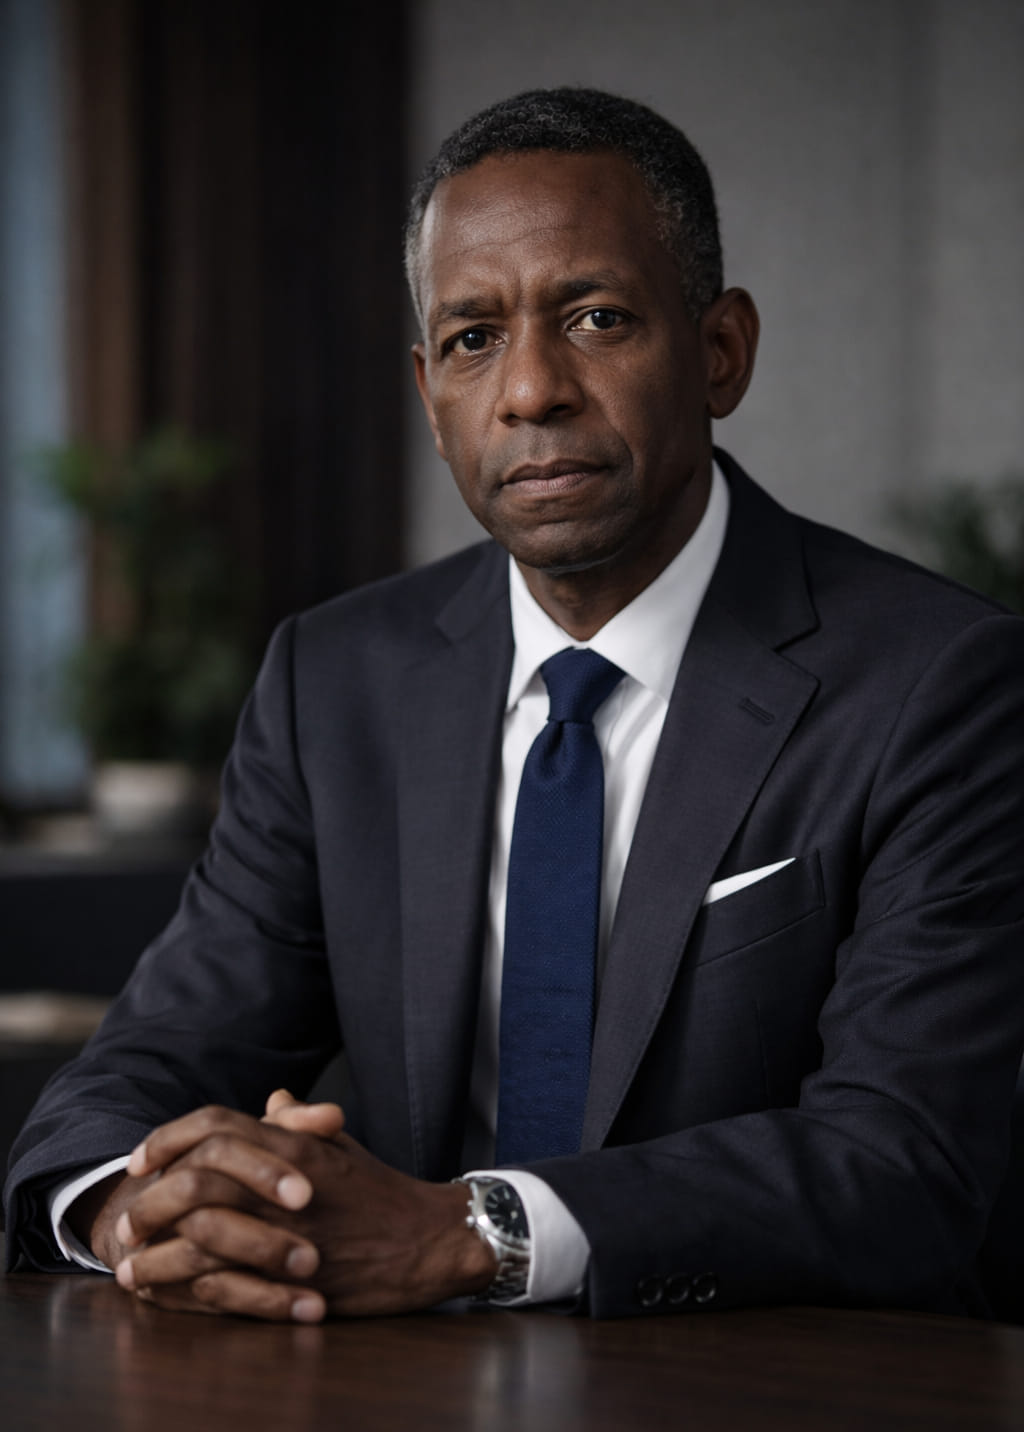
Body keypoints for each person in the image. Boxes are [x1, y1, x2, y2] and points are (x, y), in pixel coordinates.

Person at [5, 88, 1024, 1324]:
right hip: (397, 1412)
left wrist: (466, 1231)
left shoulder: (941, 681)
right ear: (430, 394)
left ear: (719, 353)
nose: (531, 390)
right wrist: (134, 1206)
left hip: (780, 1417)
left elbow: (902, 1160)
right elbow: (161, 1052)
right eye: (473, 337)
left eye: (595, 318)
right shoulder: (335, 679)